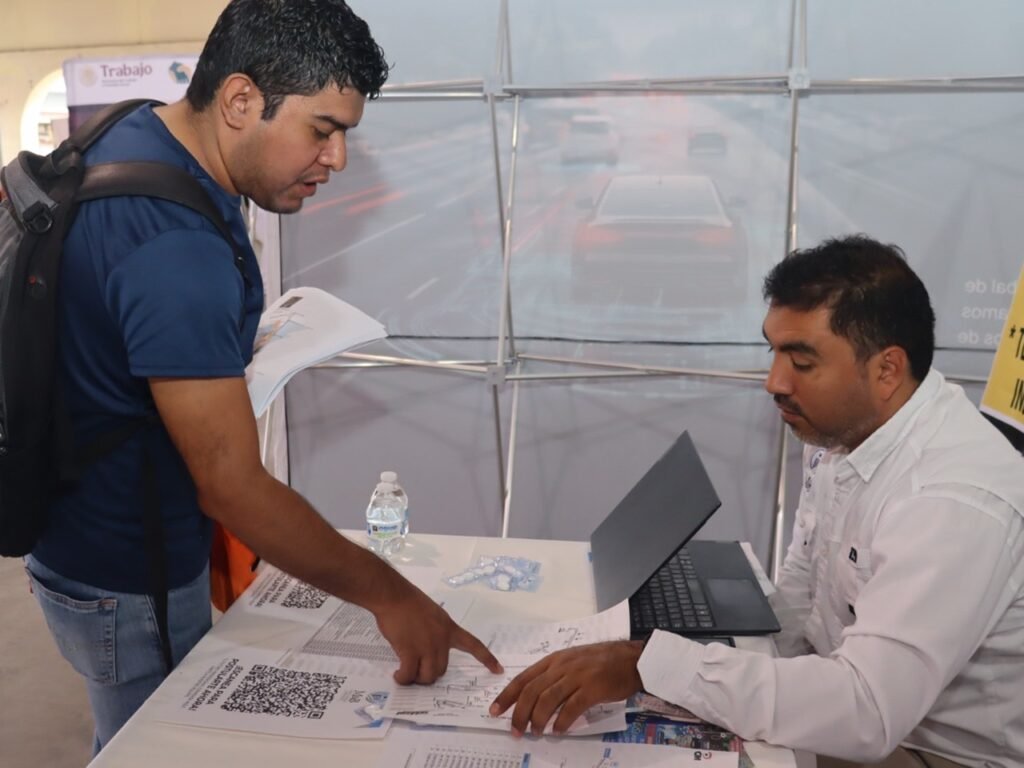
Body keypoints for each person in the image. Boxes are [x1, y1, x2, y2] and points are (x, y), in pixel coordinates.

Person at [25, 0, 499, 753]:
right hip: (129, 570)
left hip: (75, 535)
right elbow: (231, 485)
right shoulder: (176, 249)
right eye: (322, 130)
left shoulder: (134, 129)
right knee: (154, 749)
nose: (337, 159)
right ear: (241, 100)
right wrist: (392, 597)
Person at [490, 235, 1024, 768]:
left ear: (886, 370)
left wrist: (654, 665)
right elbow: (802, 594)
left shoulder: (954, 501)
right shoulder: (843, 429)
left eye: (802, 362)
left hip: (933, 752)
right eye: (774, 351)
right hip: (849, 707)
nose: (775, 382)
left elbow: (867, 712)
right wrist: (711, 657)